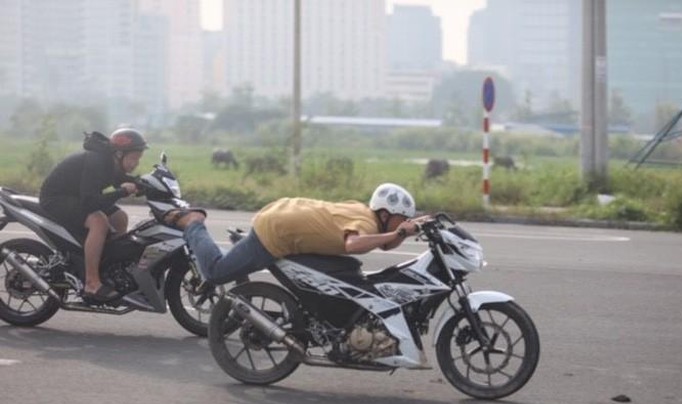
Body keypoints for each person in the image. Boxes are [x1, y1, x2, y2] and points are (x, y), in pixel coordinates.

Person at [164, 183, 424, 285]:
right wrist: (400, 232)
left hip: (283, 214)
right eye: (403, 219)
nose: (406, 223)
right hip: (274, 232)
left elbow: (387, 244)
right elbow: (354, 244)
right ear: (386, 215)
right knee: (216, 273)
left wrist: (411, 229)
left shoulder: (365, 212)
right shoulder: (366, 226)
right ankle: (194, 224)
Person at [39, 128, 147, 302]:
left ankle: (110, 268)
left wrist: (144, 183)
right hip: (56, 199)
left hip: (77, 197)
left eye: (138, 159)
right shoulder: (97, 161)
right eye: (133, 158)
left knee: (120, 218)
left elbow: (120, 178)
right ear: (119, 154)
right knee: (99, 222)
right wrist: (121, 192)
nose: (136, 163)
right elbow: (90, 202)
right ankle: (92, 282)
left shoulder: (109, 162)